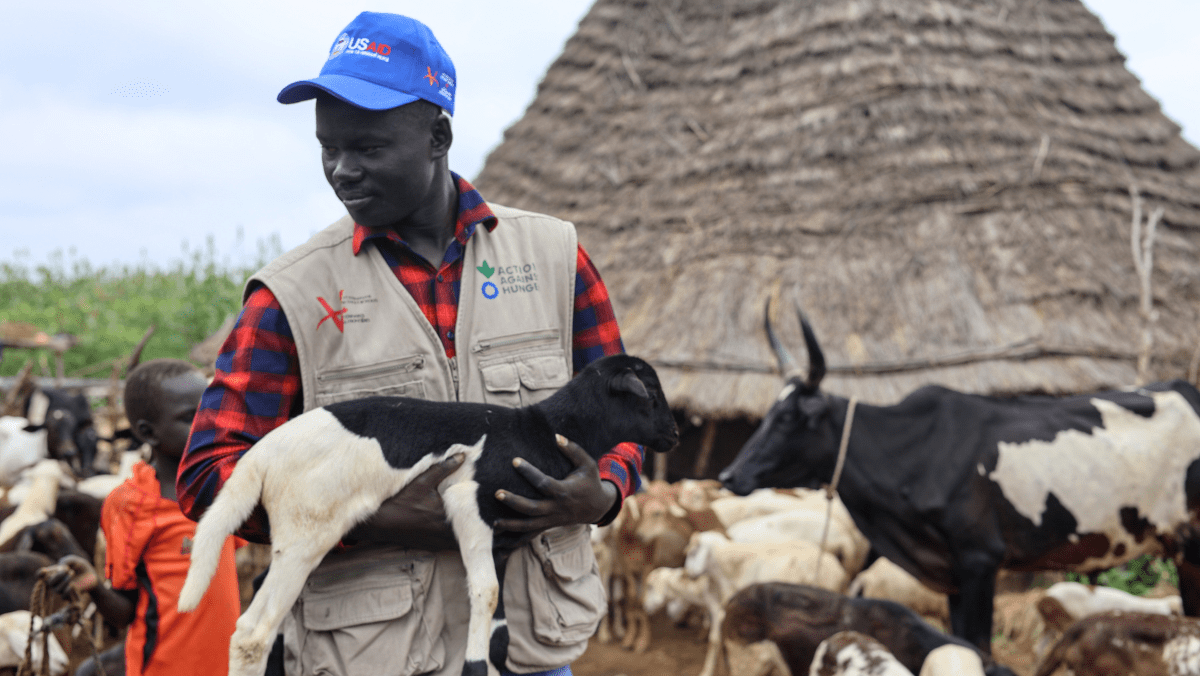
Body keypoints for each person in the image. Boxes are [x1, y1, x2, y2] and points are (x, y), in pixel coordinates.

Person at [177, 11, 645, 676]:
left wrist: (603, 492)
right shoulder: (291, 297)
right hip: (374, 654)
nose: (342, 171)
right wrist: (374, 514)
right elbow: (208, 478)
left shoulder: (554, 257)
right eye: (327, 148)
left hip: (532, 651)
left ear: (438, 136)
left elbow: (625, 418)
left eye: (367, 148)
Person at [50, 358, 242, 676]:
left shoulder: (223, 487)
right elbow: (125, 613)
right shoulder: (130, 505)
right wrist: (94, 586)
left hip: (228, 667)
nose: (207, 424)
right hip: (163, 667)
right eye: (188, 418)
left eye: (209, 411)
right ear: (147, 432)